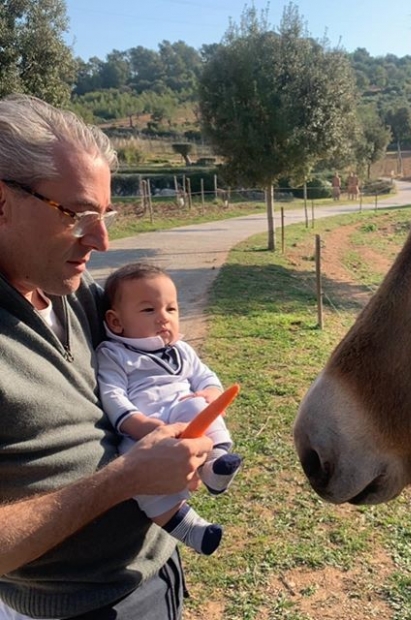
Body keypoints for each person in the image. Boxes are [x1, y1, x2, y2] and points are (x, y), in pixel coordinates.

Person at [0, 94, 213, 619]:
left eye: (106, 214)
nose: (101, 239)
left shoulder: (74, 291)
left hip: (156, 572)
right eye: (78, 215)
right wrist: (126, 478)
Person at [96, 263, 242, 558]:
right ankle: (191, 529)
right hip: (143, 431)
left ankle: (215, 464)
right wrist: (137, 424)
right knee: (143, 481)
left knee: (196, 404)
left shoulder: (182, 350)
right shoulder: (114, 354)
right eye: (149, 310)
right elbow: (112, 393)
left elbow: (204, 375)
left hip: (187, 420)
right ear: (116, 321)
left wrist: (212, 392)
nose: (164, 318)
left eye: (171, 309)